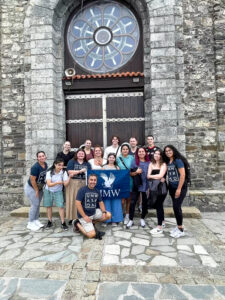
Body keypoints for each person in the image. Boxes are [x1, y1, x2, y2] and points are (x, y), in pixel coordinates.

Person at [73, 174, 111, 239]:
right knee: (92, 235)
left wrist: (104, 212)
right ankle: (77, 223)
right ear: (88, 180)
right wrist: (84, 216)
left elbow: (101, 202)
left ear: (96, 181)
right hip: (84, 215)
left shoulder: (96, 191)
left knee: (108, 215)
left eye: (94, 180)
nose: (93, 182)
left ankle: (91, 223)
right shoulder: (82, 190)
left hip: (93, 213)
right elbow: (78, 204)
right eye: (91, 180)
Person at [163, 145, 187, 238]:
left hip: (180, 187)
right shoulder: (169, 162)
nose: (168, 152)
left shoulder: (178, 161)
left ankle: (181, 229)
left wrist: (179, 189)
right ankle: (178, 226)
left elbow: (182, 175)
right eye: (166, 151)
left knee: (176, 207)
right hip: (172, 187)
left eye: (169, 150)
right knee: (176, 208)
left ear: (173, 150)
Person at [44, 158, 71, 230]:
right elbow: (49, 184)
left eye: (62, 165)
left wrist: (69, 177)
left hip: (58, 191)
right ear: (55, 165)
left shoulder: (64, 172)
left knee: (61, 206)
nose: (61, 167)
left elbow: (65, 184)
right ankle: (49, 221)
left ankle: (63, 222)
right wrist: (58, 183)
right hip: (48, 190)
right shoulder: (49, 172)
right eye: (59, 165)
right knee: (49, 206)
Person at [24, 151, 48, 231]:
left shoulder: (45, 165)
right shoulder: (35, 167)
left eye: (43, 156)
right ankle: (30, 223)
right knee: (35, 204)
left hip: (39, 188)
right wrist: (36, 190)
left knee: (37, 205)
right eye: (39, 156)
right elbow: (32, 180)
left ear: (45, 156)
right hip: (31, 188)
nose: (41, 157)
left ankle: (36, 220)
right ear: (37, 158)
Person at [127, 147, 150, 228]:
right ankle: (131, 219)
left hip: (146, 185)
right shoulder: (135, 162)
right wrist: (136, 172)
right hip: (136, 185)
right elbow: (130, 173)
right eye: (139, 152)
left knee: (144, 203)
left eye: (142, 151)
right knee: (133, 202)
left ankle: (142, 218)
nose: (141, 153)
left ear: (145, 153)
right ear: (137, 153)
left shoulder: (149, 162)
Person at [66, 149, 90, 225]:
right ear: (76, 154)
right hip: (74, 183)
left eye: (82, 154)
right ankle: (73, 217)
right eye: (79, 153)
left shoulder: (87, 163)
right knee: (74, 200)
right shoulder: (72, 161)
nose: (81, 155)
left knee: (82, 201)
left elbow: (90, 173)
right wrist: (80, 171)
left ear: (84, 155)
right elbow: (69, 171)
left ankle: (81, 216)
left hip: (84, 183)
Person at [147, 149, 167, 235]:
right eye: (156, 154)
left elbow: (161, 175)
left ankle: (159, 227)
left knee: (158, 205)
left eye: (159, 154)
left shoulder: (163, 164)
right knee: (159, 205)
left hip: (162, 188)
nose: (157, 155)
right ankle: (163, 222)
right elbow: (148, 176)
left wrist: (153, 176)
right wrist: (157, 177)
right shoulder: (151, 164)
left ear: (161, 156)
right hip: (153, 187)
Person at [102, 153, 123, 227]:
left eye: (113, 157)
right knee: (106, 204)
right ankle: (106, 220)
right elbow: (101, 178)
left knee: (116, 204)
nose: (111, 159)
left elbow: (120, 178)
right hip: (106, 190)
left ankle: (115, 220)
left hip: (115, 189)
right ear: (108, 159)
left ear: (115, 159)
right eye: (110, 157)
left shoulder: (117, 167)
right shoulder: (104, 167)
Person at [116, 143, 134, 225]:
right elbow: (114, 166)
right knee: (122, 200)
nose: (125, 150)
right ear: (121, 150)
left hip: (130, 180)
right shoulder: (118, 158)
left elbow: (134, 168)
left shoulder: (132, 158)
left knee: (128, 199)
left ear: (129, 150)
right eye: (123, 149)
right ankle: (120, 215)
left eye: (127, 149)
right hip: (121, 181)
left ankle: (127, 215)